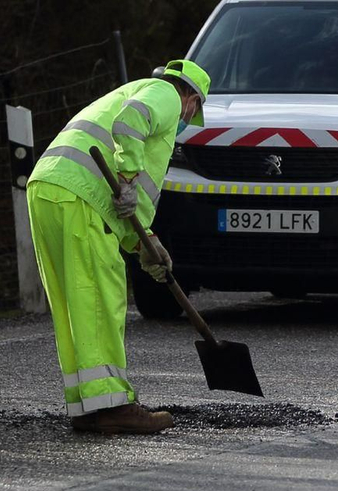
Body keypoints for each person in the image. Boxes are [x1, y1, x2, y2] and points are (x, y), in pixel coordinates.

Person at [25, 59, 210, 434]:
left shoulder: (132, 93)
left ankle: (88, 406)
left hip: (49, 190)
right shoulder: (166, 94)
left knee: (74, 303)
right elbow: (129, 124)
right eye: (194, 112)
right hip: (81, 199)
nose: (187, 119)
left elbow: (127, 207)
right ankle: (113, 406)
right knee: (100, 299)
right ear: (192, 99)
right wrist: (126, 176)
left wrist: (146, 245)